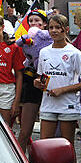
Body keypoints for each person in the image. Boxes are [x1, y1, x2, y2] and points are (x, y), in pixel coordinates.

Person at [35, 14, 81, 163]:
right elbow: (43, 76)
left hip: (68, 105)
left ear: (66, 30)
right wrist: (38, 83)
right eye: (51, 27)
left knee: (67, 146)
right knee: (45, 146)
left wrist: (62, 90)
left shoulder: (74, 53)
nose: (54, 31)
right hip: (48, 104)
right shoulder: (44, 52)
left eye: (58, 28)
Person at [15, 10, 52, 153]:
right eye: (31, 21)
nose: (34, 24)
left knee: (48, 134)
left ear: (44, 24)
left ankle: (46, 162)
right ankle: (20, 161)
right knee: (25, 130)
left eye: (37, 21)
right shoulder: (26, 39)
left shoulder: (51, 38)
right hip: (31, 81)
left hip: (49, 82)